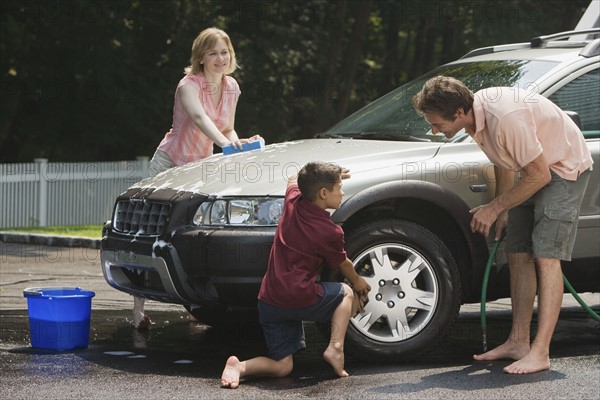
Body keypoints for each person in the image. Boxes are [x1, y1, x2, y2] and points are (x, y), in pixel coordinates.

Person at [413, 76, 593, 374]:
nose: (433, 129)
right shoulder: (475, 119)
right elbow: (503, 158)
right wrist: (503, 208)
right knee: (517, 251)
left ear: (458, 112)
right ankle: (518, 342)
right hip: (532, 168)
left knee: (547, 257)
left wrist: (495, 207)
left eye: (436, 123)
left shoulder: (504, 117)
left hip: (562, 167)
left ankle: (541, 352)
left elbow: (542, 176)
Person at [133, 27, 262, 329]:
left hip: (200, 169)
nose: (220, 58)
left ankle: (195, 304)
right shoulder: (188, 85)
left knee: (189, 235)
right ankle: (138, 309)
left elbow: (226, 128)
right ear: (200, 57)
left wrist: (239, 142)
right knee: (145, 232)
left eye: (224, 52)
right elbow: (201, 119)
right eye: (213, 52)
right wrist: (227, 143)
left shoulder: (231, 87)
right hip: (170, 163)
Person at [220, 162, 371, 389]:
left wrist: (328, 175)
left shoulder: (292, 201)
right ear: (323, 193)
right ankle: (335, 347)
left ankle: (240, 366)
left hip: (270, 299)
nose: (342, 192)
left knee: (282, 366)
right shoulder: (330, 231)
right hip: (299, 296)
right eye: (339, 187)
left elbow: (294, 178)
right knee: (346, 293)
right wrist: (359, 282)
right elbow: (343, 263)